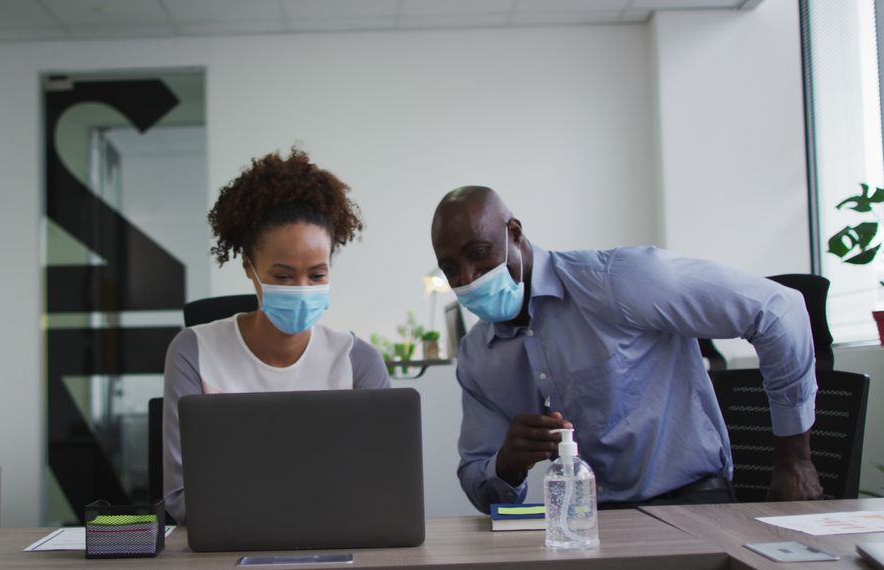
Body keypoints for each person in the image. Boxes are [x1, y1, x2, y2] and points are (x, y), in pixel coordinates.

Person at [430, 186, 823, 513]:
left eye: (479, 253)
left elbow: (779, 309)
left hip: (691, 506)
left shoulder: (617, 281)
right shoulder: (478, 355)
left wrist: (794, 460)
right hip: (581, 522)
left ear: (514, 233)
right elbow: (478, 481)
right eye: (450, 269)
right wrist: (508, 465)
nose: (468, 278)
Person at [163, 149, 392, 523]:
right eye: (283, 276)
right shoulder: (194, 351)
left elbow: (387, 486)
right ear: (248, 268)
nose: (302, 288)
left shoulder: (358, 362)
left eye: (317, 275)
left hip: (337, 542)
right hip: (229, 550)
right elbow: (182, 498)